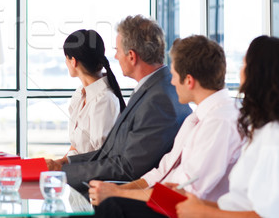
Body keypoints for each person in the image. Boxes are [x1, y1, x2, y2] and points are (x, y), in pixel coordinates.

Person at [89, 35, 243, 217]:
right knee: (105, 200)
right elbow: (161, 172)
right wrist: (116, 188)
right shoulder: (198, 118)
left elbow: (183, 194)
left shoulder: (220, 123)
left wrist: (118, 193)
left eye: (174, 75)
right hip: (167, 197)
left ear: (189, 81)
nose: (172, 82)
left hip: (185, 209)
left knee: (113, 205)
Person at [47, 15, 192, 192]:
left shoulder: (158, 100)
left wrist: (64, 173)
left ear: (131, 56)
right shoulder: (154, 89)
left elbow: (128, 167)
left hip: (129, 195)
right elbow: (113, 152)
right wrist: (66, 162)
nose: (115, 56)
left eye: (117, 50)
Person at [175, 35, 279, 218]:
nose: (240, 72)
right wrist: (198, 205)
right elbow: (236, 206)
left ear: (257, 74)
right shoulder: (260, 129)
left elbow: (264, 216)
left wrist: (203, 212)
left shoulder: (273, 138)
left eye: (244, 65)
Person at [54, 29, 126, 163]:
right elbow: (76, 147)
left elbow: (104, 158)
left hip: (93, 178)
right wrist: (58, 163)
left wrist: (63, 165)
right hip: (77, 171)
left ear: (73, 61)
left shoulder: (105, 100)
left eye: (66, 57)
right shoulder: (80, 95)